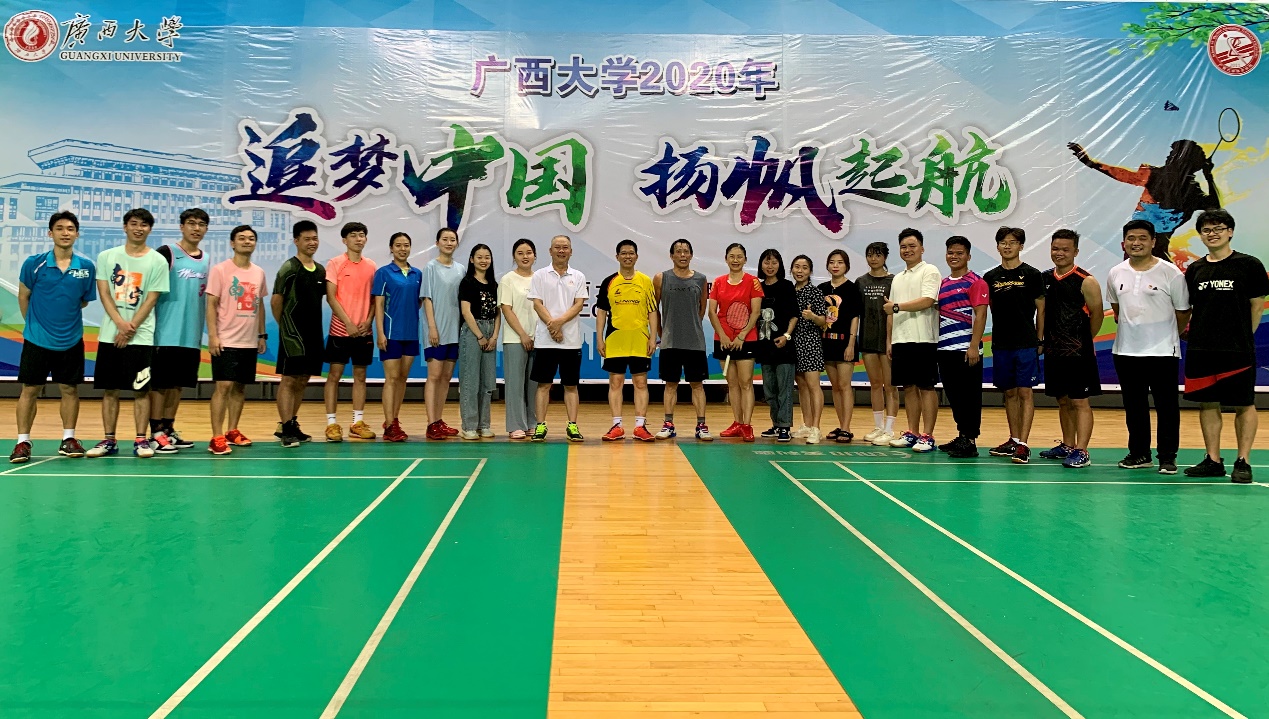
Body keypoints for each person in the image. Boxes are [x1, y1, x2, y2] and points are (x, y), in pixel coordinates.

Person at [1182, 209, 1268, 483]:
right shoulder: (1195, 269)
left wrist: (1243, 337)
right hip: (1201, 349)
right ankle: (1213, 460)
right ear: (1200, 235)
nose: (1213, 234)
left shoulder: (1249, 264)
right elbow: (1190, 308)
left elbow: (1257, 306)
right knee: (1208, 403)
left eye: (1218, 228)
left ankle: (1243, 461)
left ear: (1230, 232)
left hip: (1237, 349)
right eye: (1207, 230)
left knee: (1244, 403)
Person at [10, 211, 96, 464]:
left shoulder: (86, 268)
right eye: (60, 228)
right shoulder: (33, 264)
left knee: (69, 389)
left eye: (70, 228)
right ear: (50, 233)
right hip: (37, 338)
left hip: (71, 338)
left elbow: (83, 301)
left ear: (77, 234)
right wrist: (34, 324)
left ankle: (68, 439)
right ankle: (22, 442)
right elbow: (24, 295)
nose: (65, 233)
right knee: (30, 389)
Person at [1106, 220, 1189, 474]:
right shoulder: (1116, 272)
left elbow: (1183, 312)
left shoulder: (1171, 273)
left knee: (1167, 406)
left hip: (1162, 352)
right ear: (1124, 243)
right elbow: (1117, 309)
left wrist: (1166, 335)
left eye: (1142, 238)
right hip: (1126, 351)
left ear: (1153, 241)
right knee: (1134, 407)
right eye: (1131, 238)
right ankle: (1139, 453)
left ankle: (1167, 456)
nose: (1136, 243)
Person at [87, 208, 170, 458]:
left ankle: (141, 440)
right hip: (110, 335)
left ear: (150, 229)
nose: (138, 229)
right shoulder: (107, 256)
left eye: (144, 225)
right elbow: (104, 293)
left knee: (141, 390)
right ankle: (109, 440)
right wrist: (120, 324)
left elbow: (152, 298)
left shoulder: (157, 260)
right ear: (125, 227)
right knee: (110, 389)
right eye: (133, 223)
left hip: (141, 337)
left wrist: (130, 328)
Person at [1068, 140, 1219, 261]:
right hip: (1146, 249)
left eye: (1172, 154)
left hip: (1152, 250)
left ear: (1183, 160)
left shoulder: (1176, 184)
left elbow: (1214, 207)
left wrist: (1091, 163)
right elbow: (1122, 174)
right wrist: (1208, 176)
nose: (1168, 157)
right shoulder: (1185, 188)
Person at [1039, 230, 1104, 469]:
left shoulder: (1087, 281)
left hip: (1079, 354)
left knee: (1080, 402)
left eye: (1065, 249)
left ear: (1075, 251)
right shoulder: (1044, 278)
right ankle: (1067, 444)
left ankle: (1082, 450)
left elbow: (1097, 315)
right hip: (1054, 352)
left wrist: (1083, 341)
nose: (1060, 253)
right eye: (1055, 248)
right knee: (1063, 400)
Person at [147, 208, 210, 453]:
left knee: (177, 385)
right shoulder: (167, 253)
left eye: (201, 224)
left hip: (191, 335)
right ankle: (155, 432)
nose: (196, 228)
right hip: (165, 333)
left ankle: (168, 429)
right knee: (160, 385)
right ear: (182, 226)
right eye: (191, 223)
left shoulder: (205, 259)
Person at [983, 226, 1045, 464]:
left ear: (1021, 246)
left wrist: (1040, 339)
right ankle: (1014, 439)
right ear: (997, 246)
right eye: (1003, 242)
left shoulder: (1032, 274)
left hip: (1026, 342)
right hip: (1001, 343)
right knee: (1009, 393)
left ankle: (1024, 445)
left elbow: (1042, 310)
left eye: (1012, 242)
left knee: (1025, 392)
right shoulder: (990, 277)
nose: (1007, 246)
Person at [205, 225, 268, 455]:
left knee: (240, 388)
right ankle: (216, 436)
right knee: (223, 387)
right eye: (242, 238)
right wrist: (213, 336)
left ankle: (232, 430)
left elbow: (260, 305)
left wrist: (261, 335)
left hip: (248, 341)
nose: (247, 241)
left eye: (251, 238)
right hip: (226, 339)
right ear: (232, 243)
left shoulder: (259, 272)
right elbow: (211, 304)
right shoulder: (220, 270)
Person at [882, 229, 941, 452]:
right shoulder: (898, 278)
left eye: (912, 246)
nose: (907, 250)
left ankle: (928, 435)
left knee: (926, 387)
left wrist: (897, 307)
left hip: (923, 338)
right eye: (904, 247)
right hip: (901, 339)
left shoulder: (930, 271)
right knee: (908, 387)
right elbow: (890, 312)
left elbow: (927, 300)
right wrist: (890, 340)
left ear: (922, 248)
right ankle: (912, 433)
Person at [596, 240, 659, 442]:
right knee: (616, 382)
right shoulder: (609, 282)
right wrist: (599, 338)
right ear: (617, 257)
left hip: (640, 339)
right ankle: (617, 426)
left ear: (636, 256)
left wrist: (653, 337)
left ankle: (640, 427)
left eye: (631, 253)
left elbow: (652, 311)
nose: (627, 256)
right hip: (615, 339)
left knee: (641, 382)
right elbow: (601, 312)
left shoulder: (645, 281)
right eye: (623, 253)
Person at [271, 220, 326, 448]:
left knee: (303, 379)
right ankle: (286, 428)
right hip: (292, 335)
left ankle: (291, 423)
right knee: (290, 379)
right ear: (296, 241)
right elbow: (276, 301)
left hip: (314, 334)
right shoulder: (289, 268)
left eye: (315, 238)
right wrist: (285, 327)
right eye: (307, 239)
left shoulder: (321, 270)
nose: (312, 242)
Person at [528, 235, 588, 442]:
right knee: (543, 385)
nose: (561, 251)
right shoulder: (540, 275)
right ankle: (540, 426)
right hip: (545, 341)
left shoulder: (578, 276)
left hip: (571, 341)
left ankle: (572, 425)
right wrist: (552, 326)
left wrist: (558, 323)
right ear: (550, 251)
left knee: (571, 385)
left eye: (565, 247)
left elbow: (578, 304)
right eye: (557, 247)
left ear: (571, 251)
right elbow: (537, 303)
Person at [322, 222, 378, 442]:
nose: (358, 239)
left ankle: (357, 423)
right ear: (344, 240)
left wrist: (369, 320)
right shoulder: (335, 263)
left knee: (360, 376)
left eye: (361, 235)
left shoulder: (371, 266)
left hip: (364, 331)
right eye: (353, 235)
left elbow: (375, 299)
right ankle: (331, 424)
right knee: (334, 376)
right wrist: (347, 323)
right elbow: (331, 297)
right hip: (340, 330)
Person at [935, 236, 989, 458]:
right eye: (951, 252)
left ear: (968, 256)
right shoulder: (943, 283)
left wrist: (974, 345)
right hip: (945, 349)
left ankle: (970, 441)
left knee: (969, 397)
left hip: (966, 350)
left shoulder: (976, 282)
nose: (954, 256)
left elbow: (981, 315)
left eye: (959, 253)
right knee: (954, 396)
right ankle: (962, 435)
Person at [653, 239, 712, 441]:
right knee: (671, 384)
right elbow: (654, 309)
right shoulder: (661, 278)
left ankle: (701, 426)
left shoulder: (701, 279)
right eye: (678, 251)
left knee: (697, 385)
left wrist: (691, 325)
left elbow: (701, 309)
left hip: (694, 341)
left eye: (686, 251)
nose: (682, 255)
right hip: (670, 342)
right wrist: (662, 333)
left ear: (691, 255)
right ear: (672, 255)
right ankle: (668, 424)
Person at [708, 243, 764, 442]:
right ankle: (737, 423)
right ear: (726, 259)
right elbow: (711, 312)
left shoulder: (753, 282)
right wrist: (722, 335)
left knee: (746, 383)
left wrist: (742, 336)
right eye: (731, 256)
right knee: (732, 384)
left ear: (745, 260)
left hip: (746, 340)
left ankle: (747, 425)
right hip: (723, 340)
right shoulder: (718, 282)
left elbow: (756, 312)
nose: (735, 260)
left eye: (739, 256)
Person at [373, 232, 423, 442]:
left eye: (406, 245)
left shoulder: (417, 274)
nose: (403, 249)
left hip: (411, 334)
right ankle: (389, 425)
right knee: (392, 379)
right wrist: (381, 333)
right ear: (391, 248)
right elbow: (378, 305)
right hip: (391, 334)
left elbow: (418, 301)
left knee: (402, 378)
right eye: (398, 245)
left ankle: (393, 419)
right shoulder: (383, 273)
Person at [421, 227, 465, 440]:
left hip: (455, 332)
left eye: (452, 240)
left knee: (446, 377)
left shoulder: (461, 269)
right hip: (436, 331)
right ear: (437, 243)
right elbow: (427, 298)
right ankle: (431, 423)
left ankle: (439, 420)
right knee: (434, 376)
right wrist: (432, 327)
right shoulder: (430, 267)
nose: (449, 243)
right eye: (445, 239)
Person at [754, 249, 798, 443]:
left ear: (779, 265)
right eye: (766, 262)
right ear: (761, 265)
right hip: (765, 347)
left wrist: (786, 336)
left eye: (774, 262)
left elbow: (794, 315)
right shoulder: (757, 287)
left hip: (784, 347)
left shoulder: (787, 286)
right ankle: (776, 423)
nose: (770, 266)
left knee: (784, 390)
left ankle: (785, 426)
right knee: (769, 391)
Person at [457, 244, 501, 440]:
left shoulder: (493, 284)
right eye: (480, 257)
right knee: (470, 381)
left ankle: (484, 425)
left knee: (487, 382)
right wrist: (480, 336)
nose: (484, 260)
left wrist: (494, 336)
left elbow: (498, 313)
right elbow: (466, 312)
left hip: (490, 331)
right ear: (472, 259)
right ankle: (469, 426)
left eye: (487, 257)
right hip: (473, 331)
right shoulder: (467, 283)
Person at [858, 242, 899, 446]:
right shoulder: (861, 282)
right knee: (875, 384)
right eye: (870, 255)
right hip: (868, 338)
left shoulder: (894, 281)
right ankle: (878, 427)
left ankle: (890, 429)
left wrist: (890, 340)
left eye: (878, 255)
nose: (873, 259)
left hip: (888, 340)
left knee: (890, 385)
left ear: (885, 257)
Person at [819, 249, 861, 443]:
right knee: (835, 387)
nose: (835, 265)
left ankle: (846, 427)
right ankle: (840, 423)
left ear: (847, 266)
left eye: (840, 262)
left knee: (844, 386)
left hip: (845, 342)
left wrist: (851, 343)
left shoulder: (852, 288)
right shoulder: (821, 288)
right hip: (826, 342)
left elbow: (854, 317)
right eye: (832, 262)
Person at [499, 238, 538, 440]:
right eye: (520, 253)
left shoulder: (540, 278)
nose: (525, 256)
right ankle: (515, 425)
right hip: (515, 338)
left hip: (538, 338)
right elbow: (506, 309)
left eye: (528, 253)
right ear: (514, 256)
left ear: (535, 256)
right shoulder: (508, 279)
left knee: (533, 385)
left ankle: (532, 423)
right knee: (515, 384)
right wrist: (523, 334)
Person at [792, 255, 829, 444]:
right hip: (793, 343)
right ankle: (806, 424)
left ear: (810, 271)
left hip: (810, 342)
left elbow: (823, 321)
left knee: (813, 385)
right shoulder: (790, 291)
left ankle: (816, 427)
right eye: (797, 267)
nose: (800, 271)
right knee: (802, 386)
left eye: (804, 267)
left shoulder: (815, 292)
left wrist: (812, 316)